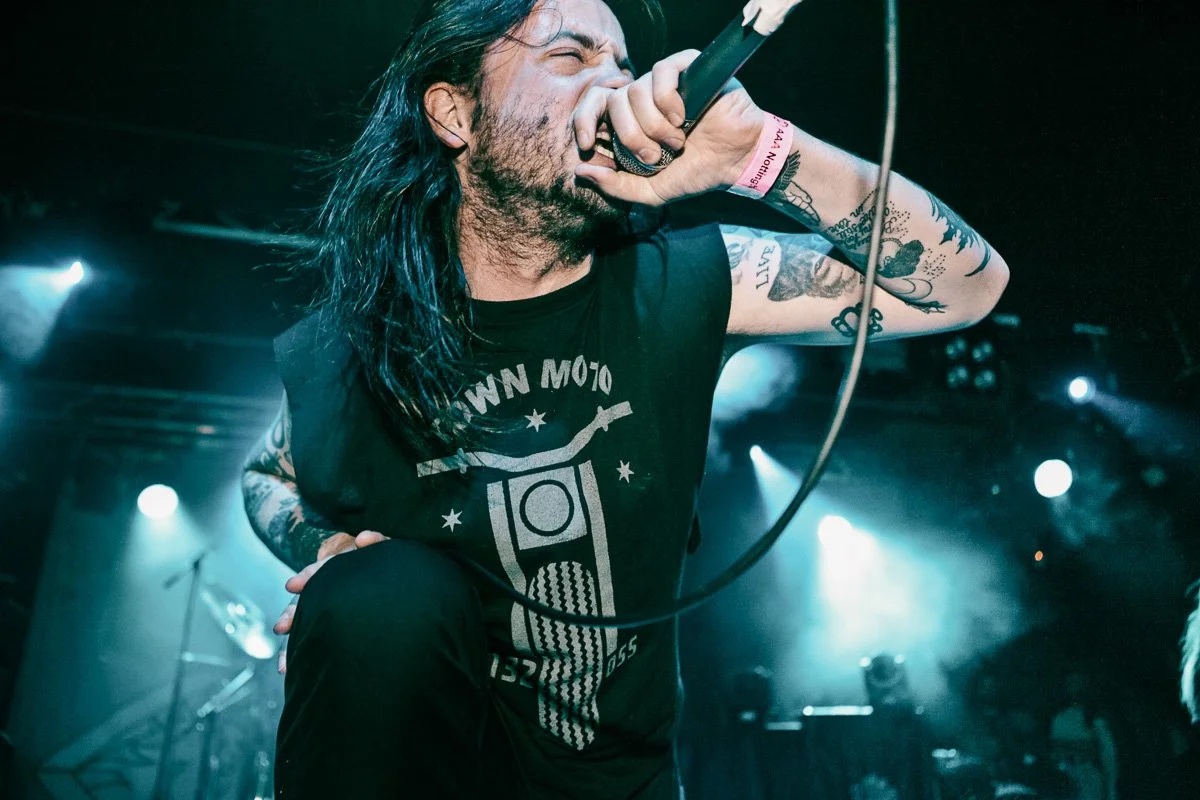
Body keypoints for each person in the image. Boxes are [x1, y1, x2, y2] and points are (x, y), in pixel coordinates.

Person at [240, 0, 1009, 796]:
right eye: (572, 57)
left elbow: (966, 285)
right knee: (379, 594)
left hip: (617, 782)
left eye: (623, 65)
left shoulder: (683, 284)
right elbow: (266, 475)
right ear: (454, 112)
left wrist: (761, 156)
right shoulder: (357, 342)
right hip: (429, 770)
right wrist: (323, 552)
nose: (615, 85)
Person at [1048, 672, 1119, 800]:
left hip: (1088, 782)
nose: (1074, 688)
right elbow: (1054, 753)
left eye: (1077, 683)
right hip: (1063, 781)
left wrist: (1111, 790)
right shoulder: (1058, 718)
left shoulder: (1095, 719)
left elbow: (1108, 755)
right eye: (1070, 683)